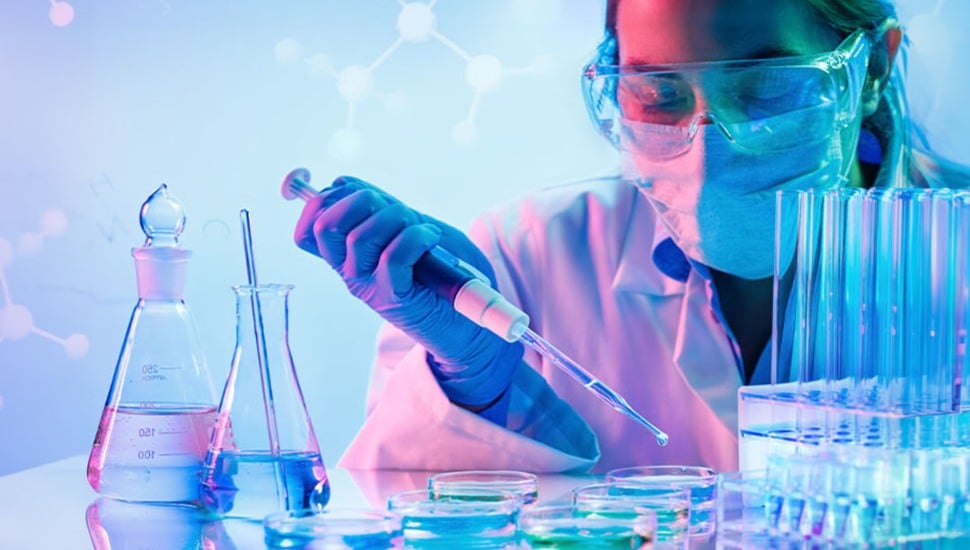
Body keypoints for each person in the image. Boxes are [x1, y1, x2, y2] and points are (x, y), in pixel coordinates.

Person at [293, 0, 946, 474]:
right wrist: (476, 379)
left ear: (874, 70)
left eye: (766, 86)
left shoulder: (957, 251)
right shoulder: (524, 258)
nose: (708, 139)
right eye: (658, 93)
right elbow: (409, 520)